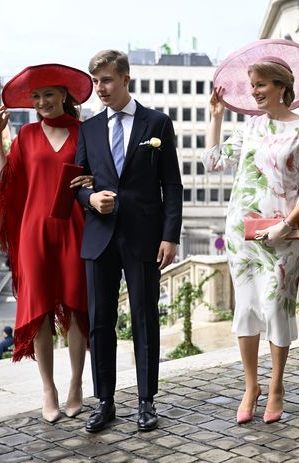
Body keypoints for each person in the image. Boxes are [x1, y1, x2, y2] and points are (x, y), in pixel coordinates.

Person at [204, 56, 299, 425]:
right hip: (242, 233)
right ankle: (251, 386)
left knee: (275, 310)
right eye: (252, 85)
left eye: (261, 85)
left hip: (284, 235)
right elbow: (213, 163)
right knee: (248, 310)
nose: (254, 92)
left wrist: (287, 224)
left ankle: (276, 387)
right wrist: (217, 117)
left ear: (282, 87)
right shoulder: (249, 127)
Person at [75, 50, 182, 433]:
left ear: (125, 79)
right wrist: (90, 198)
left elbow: (171, 185)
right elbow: (77, 183)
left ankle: (146, 401)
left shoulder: (157, 123)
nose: (99, 88)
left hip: (144, 238)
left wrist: (170, 236)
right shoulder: (87, 129)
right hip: (99, 238)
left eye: (106, 80)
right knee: (101, 322)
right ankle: (104, 402)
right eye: (95, 81)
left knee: (144, 319)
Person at [0, 63, 92, 422]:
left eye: (49, 94)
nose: (42, 101)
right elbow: (6, 181)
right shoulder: (27, 137)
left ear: (64, 95)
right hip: (35, 233)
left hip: (75, 228)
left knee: (79, 306)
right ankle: (48, 389)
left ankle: (77, 383)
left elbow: (99, 176)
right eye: (36, 96)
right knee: (40, 310)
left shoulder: (86, 132)